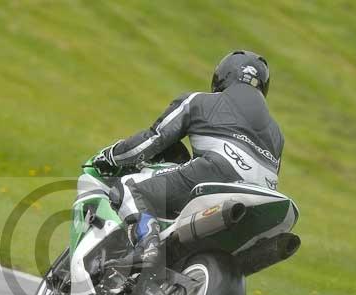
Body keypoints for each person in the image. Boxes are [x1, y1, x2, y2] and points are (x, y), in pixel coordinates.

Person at [93, 50, 284, 267]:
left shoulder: (198, 101)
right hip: (264, 194)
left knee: (129, 188)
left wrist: (112, 155)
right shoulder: (278, 133)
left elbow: (153, 139)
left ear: (222, 76)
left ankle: (147, 246)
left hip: (219, 172)